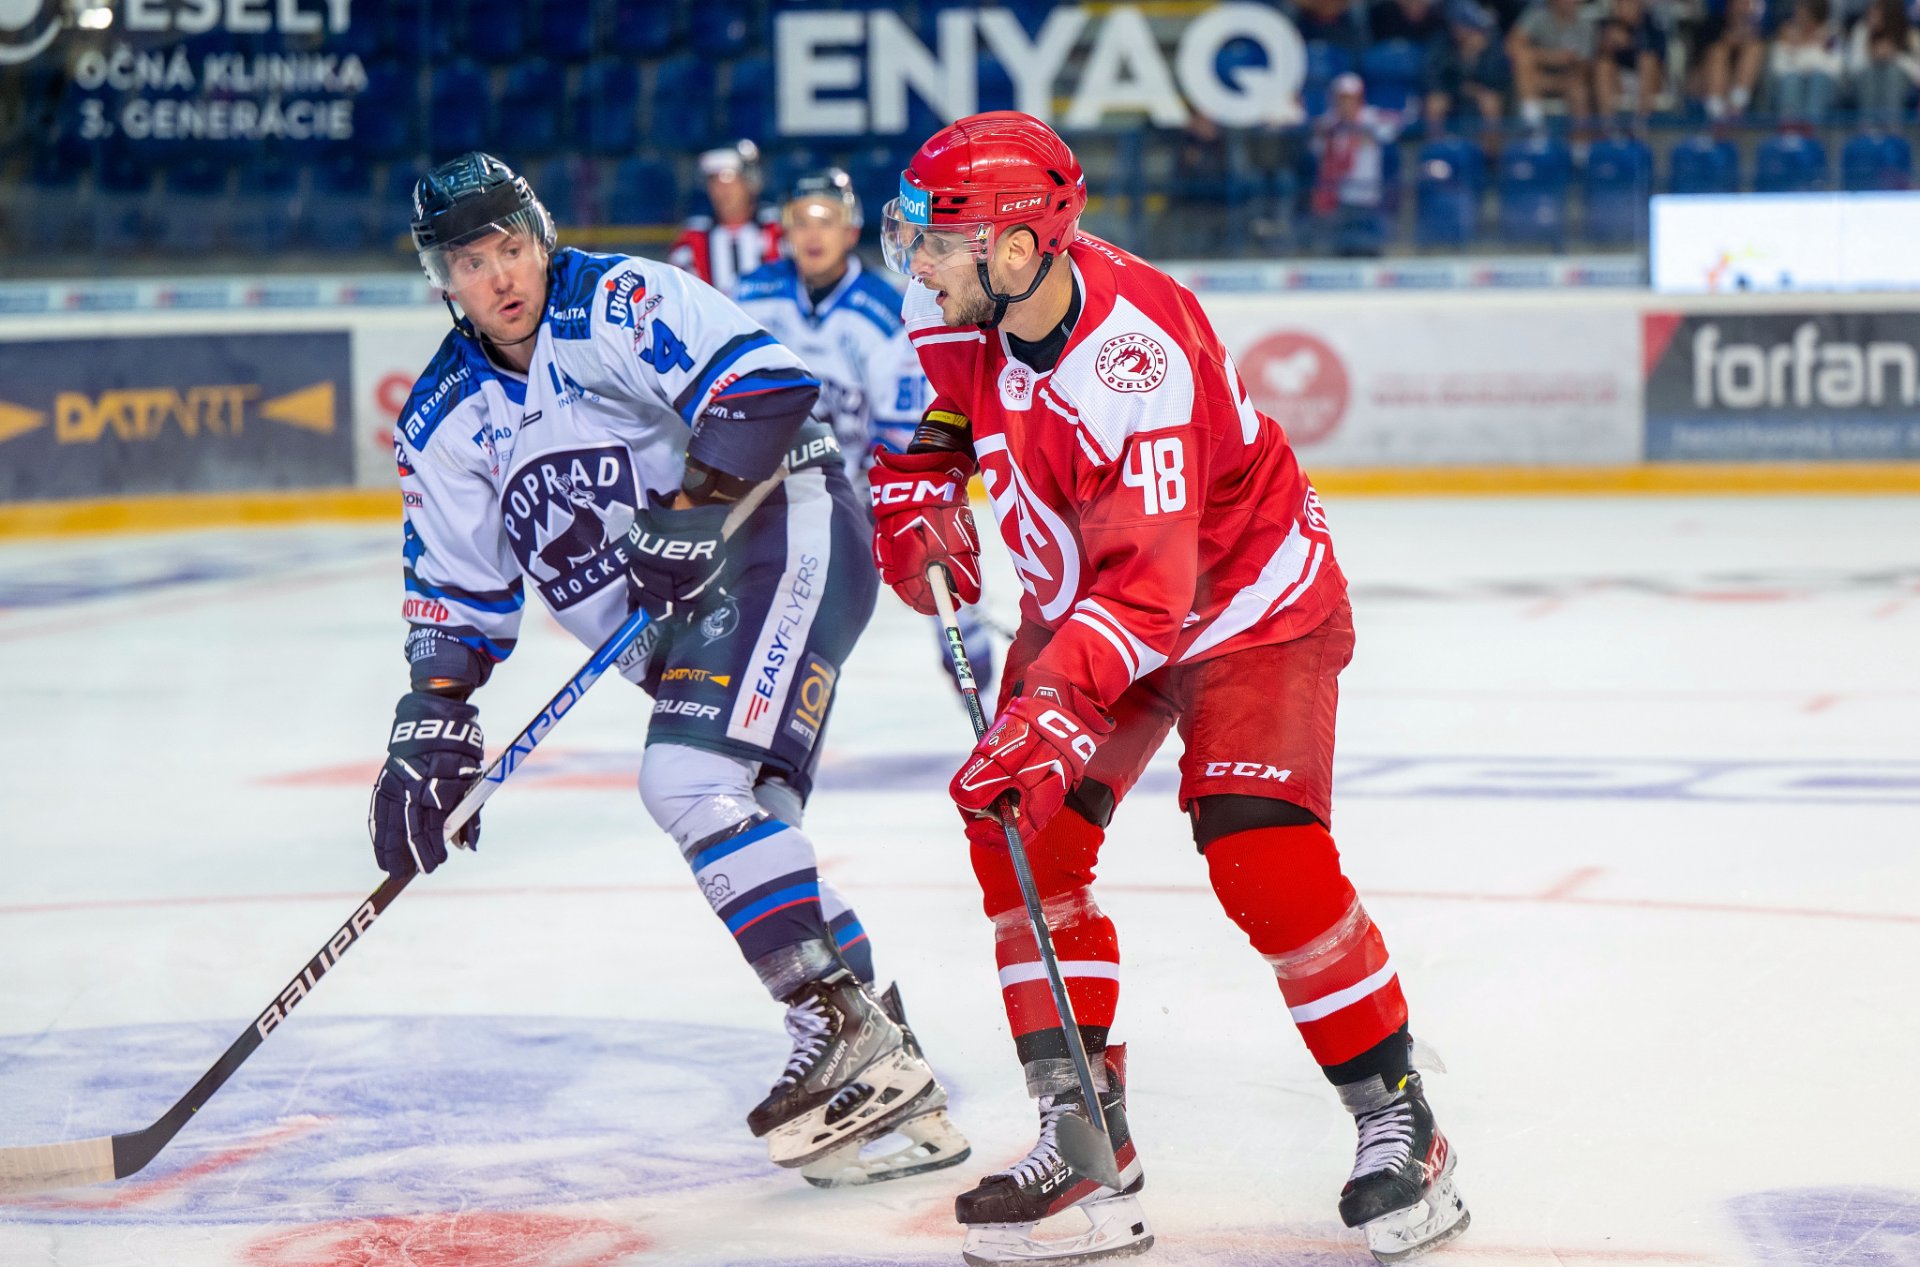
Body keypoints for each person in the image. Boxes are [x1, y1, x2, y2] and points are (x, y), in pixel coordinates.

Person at [867, 112, 1469, 1265]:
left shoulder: (1133, 355)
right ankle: (1087, 1142)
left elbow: (1153, 591)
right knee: (1021, 835)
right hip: (1095, 592)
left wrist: (1053, 705)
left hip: (1244, 601)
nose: (918, 262)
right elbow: (954, 400)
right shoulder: (963, 296)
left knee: (1260, 849)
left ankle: (1402, 1118)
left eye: (938, 241)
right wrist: (925, 479)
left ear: (1015, 249)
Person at [373, 151, 968, 1190]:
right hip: (683, 626)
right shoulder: (442, 417)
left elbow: (768, 385)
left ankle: (839, 1027)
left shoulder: (616, 300)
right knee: (750, 822)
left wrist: (695, 504)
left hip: (782, 533)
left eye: (509, 248)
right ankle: (890, 1072)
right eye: (470, 263)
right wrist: (432, 715)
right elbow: (457, 589)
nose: (499, 276)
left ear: (539, 235)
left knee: (685, 780)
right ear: (442, 280)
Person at [732, 166, 998, 699]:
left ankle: (974, 658)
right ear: (784, 229)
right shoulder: (752, 296)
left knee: (934, 550)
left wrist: (888, 497)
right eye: (802, 220)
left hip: (862, 489)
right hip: (779, 492)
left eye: (826, 220)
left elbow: (900, 428)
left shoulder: (884, 310)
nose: (813, 234)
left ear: (850, 229)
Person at [1308, 74, 1408, 258]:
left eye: (1351, 98)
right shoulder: (1328, 122)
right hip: (1337, 196)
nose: (1347, 104)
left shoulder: (1370, 117)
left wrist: (1368, 134)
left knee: (1369, 249)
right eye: (1342, 98)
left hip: (1366, 194)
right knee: (1340, 251)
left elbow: (1398, 124)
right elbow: (1316, 149)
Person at [667, 139, 782, 296]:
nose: (724, 191)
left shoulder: (778, 229)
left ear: (751, 183)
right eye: (715, 182)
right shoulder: (693, 238)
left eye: (731, 181)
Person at [1508, 0, 1598, 127]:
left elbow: (1585, 66)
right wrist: (1551, 57)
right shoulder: (1538, 15)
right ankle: (1534, 130)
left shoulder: (1585, 24)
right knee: (1524, 60)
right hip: (1539, 76)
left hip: (1570, 79)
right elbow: (1512, 45)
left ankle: (1582, 138)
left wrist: (1565, 72)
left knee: (1579, 92)